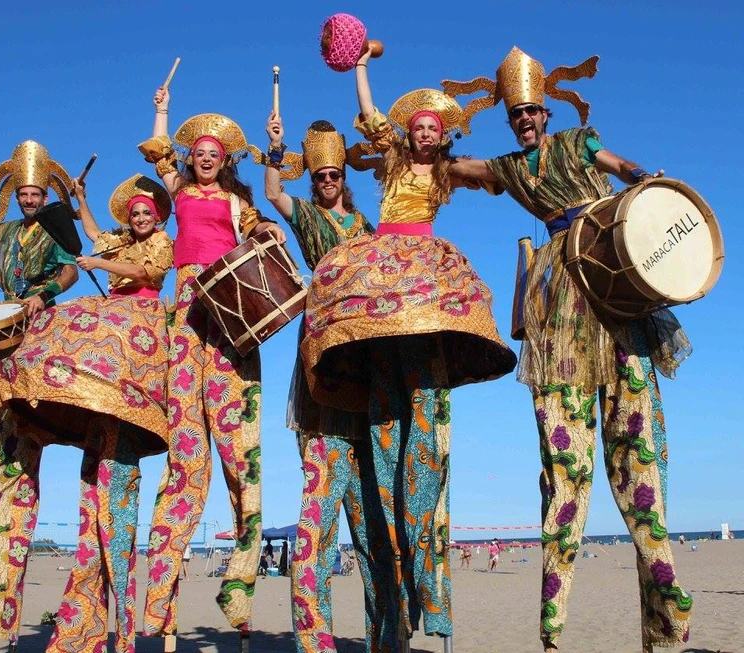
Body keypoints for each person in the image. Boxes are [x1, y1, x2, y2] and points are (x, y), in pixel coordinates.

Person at [447, 46, 693, 651]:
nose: (525, 120)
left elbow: (622, 164)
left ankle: (665, 622)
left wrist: (645, 180)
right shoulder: (511, 167)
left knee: (639, 461)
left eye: (531, 111)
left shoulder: (578, 141)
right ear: (510, 120)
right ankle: (553, 630)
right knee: (565, 472)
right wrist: (428, 153)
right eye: (516, 115)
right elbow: (469, 171)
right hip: (559, 299)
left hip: (610, 268)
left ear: (545, 112)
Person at [300, 45, 517, 646]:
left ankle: (427, 582)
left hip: (421, 269)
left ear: (441, 137)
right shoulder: (392, 159)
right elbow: (370, 113)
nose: (422, 134)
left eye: (431, 129)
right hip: (382, 270)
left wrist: (526, 163)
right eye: (417, 127)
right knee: (383, 402)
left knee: (424, 406)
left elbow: (499, 175)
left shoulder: (448, 172)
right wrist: (362, 63)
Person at [0, 172, 174, 653]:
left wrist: (98, 262)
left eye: (144, 214)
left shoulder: (161, 244)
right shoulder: (116, 238)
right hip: (113, 323)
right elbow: (93, 235)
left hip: (140, 324)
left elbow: (146, 275)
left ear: (155, 218)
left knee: (115, 476)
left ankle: (124, 627)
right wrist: (81, 200)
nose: (137, 219)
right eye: (133, 214)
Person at [138, 85, 286, 638]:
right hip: (184, 311)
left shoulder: (233, 202)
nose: (204, 157)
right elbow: (157, 149)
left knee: (238, 446)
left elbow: (259, 230)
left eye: (213, 153)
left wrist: (268, 228)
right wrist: (162, 110)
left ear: (224, 163)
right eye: (198, 150)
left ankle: (242, 581)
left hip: (227, 310)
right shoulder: (177, 192)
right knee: (185, 447)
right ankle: (158, 603)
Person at [263, 113, 395, 652]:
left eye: (333, 176)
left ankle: (384, 637)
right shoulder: (309, 219)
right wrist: (275, 148)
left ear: (344, 177)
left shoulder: (365, 228)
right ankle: (315, 642)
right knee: (317, 508)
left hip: (363, 365)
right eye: (319, 177)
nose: (326, 183)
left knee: (370, 522)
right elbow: (274, 193)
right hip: (321, 365)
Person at [0, 141, 78, 642]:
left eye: (35, 192)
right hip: (4, 335)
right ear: (17, 194)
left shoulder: (55, 223)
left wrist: (41, 295)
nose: (29, 198)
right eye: (23, 192)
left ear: (45, 192)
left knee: (28, 432)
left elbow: (70, 268)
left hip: (40, 324)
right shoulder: (4, 231)